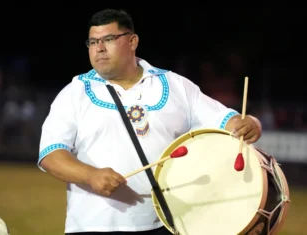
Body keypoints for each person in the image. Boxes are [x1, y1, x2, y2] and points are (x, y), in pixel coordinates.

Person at [37, 9, 262, 235]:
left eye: (108, 39)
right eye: (93, 42)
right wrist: (90, 175)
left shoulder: (175, 86)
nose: (99, 48)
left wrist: (250, 123)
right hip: (93, 225)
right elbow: (51, 153)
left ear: (132, 41)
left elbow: (227, 121)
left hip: (166, 223)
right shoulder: (74, 93)